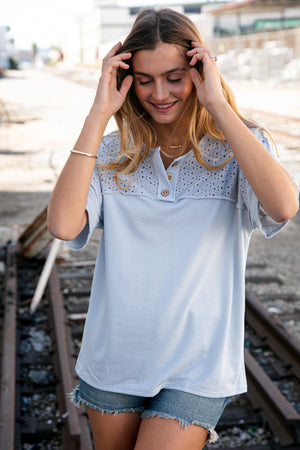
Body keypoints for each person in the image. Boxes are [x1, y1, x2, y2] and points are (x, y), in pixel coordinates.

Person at [47, 8, 299, 450]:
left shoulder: (238, 148)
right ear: (127, 79)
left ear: (200, 72)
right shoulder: (111, 154)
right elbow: (63, 225)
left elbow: (283, 206)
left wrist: (218, 105)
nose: (159, 93)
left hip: (197, 369)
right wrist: (98, 112)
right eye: (145, 80)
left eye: (175, 77)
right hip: (115, 359)